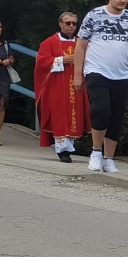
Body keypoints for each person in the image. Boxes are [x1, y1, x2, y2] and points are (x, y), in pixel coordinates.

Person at [71, 0, 128, 173]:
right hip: (96, 71)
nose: (123, 0)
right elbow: (80, 46)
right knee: (101, 109)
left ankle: (109, 158)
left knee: (116, 116)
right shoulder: (94, 15)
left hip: (121, 74)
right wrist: (78, 74)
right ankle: (96, 151)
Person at [35, 12, 90, 162]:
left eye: (74, 23)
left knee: (74, 116)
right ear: (60, 24)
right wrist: (62, 59)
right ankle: (62, 150)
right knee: (60, 115)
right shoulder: (50, 42)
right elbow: (42, 63)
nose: (71, 26)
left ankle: (69, 147)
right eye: (68, 23)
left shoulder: (81, 43)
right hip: (57, 86)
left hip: (77, 85)